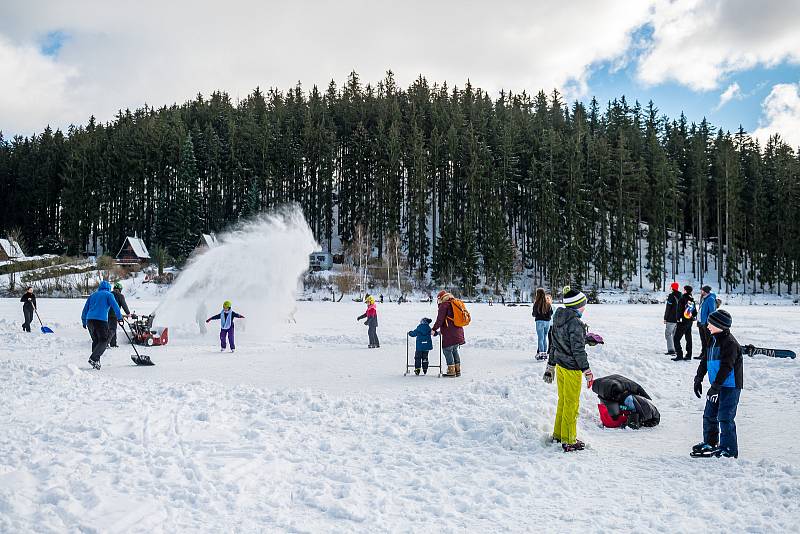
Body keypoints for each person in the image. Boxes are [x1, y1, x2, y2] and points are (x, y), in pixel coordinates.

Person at [543, 286, 594, 452]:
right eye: (583, 305)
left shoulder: (558, 319)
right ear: (578, 306)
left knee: (563, 401)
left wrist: (550, 366)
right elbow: (577, 351)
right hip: (572, 369)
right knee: (571, 404)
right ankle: (569, 440)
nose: (584, 308)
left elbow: (555, 346)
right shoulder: (576, 323)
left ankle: (559, 434)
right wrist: (586, 370)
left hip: (561, 367)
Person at [691, 309, 742, 458]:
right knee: (709, 415)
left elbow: (726, 367)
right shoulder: (712, 339)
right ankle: (711, 443)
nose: (707, 325)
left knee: (725, 417)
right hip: (717, 386)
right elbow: (705, 360)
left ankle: (729, 449)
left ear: (719, 325)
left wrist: (715, 387)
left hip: (730, 386)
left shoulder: (730, 343)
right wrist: (698, 379)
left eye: (710, 323)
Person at [81, 280, 123, 370]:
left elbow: (85, 309)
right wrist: (119, 317)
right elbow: (115, 306)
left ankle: (95, 362)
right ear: (108, 288)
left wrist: (84, 321)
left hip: (90, 320)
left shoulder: (92, 295)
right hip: (100, 320)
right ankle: (94, 358)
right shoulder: (109, 295)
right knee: (104, 340)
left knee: (96, 341)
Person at [432, 290, 466, 378]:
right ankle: (457, 370)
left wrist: (434, 329)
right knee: (454, 350)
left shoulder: (444, 305)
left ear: (441, 298)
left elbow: (440, 320)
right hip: (458, 332)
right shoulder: (454, 302)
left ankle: (451, 371)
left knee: (447, 350)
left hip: (449, 333)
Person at [672, 285, 696, 361]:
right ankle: (689, 355)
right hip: (689, 321)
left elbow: (679, 310)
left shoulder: (682, 298)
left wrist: (678, 319)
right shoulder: (692, 299)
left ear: (685, 290)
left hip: (682, 322)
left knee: (676, 338)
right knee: (688, 338)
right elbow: (695, 312)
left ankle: (679, 355)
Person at [697, 285, 717, 361]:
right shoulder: (703, 298)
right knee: (703, 339)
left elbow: (712, 312)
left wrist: (709, 322)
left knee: (707, 339)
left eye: (702, 290)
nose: (701, 292)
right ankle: (703, 354)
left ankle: (707, 355)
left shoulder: (710, 299)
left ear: (705, 291)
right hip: (701, 322)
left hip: (706, 323)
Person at [107, 282, 130, 347]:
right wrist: (128, 313)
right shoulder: (120, 296)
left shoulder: (109, 294)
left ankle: (111, 343)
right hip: (114, 314)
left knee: (108, 328)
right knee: (113, 329)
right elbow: (124, 305)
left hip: (105, 314)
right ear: (120, 289)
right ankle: (108, 343)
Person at [532, 288, 553, 360]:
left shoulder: (536, 303)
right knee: (545, 337)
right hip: (547, 322)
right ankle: (545, 353)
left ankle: (541, 353)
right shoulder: (548, 303)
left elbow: (534, 314)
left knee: (540, 338)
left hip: (539, 322)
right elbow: (551, 313)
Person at [663, 282, 681, 356]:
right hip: (678, 319)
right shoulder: (681, 295)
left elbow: (668, 308)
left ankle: (671, 350)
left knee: (668, 334)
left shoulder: (671, 296)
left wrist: (665, 318)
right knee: (674, 334)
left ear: (672, 288)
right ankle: (676, 348)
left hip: (671, 318)